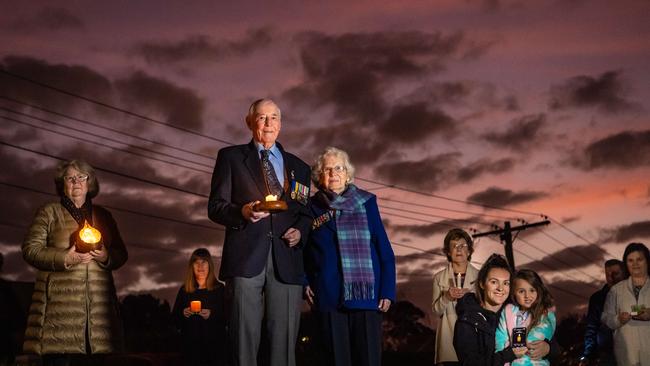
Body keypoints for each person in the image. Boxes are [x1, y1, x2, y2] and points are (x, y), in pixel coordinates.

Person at [207, 99, 312, 366]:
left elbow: (305, 213)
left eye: (274, 117)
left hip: (286, 259)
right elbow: (215, 207)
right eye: (262, 117)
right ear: (249, 122)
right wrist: (242, 212)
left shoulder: (299, 167)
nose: (268, 123)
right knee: (243, 339)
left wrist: (299, 231)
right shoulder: (230, 157)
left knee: (284, 342)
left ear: (281, 123)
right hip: (245, 258)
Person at [21, 160, 128, 366]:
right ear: (63, 184)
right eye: (70, 178)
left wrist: (106, 256)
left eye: (82, 177)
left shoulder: (104, 216)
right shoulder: (49, 212)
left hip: (98, 320)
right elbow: (30, 250)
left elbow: (121, 254)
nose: (76, 182)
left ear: (90, 183)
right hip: (58, 316)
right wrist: (65, 258)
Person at [304, 146, 396, 366]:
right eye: (327, 169)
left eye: (339, 168)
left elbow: (384, 248)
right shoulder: (311, 207)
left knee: (369, 360)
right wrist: (304, 282)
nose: (333, 173)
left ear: (347, 174)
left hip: (367, 296)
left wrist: (387, 291)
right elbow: (303, 250)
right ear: (319, 176)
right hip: (328, 295)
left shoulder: (367, 202)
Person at [431, 228, 479, 365]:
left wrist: (471, 298)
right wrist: (446, 296)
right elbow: (436, 310)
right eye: (454, 246)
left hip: (474, 343)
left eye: (463, 246)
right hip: (448, 344)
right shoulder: (439, 278)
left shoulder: (481, 277)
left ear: (469, 251)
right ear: (448, 252)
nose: (459, 249)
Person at [172, 248, 227, 366]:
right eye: (196, 262)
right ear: (191, 266)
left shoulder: (219, 289)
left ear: (210, 265)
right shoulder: (185, 290)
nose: (200, 266)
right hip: (190, 352)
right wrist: (183, 314)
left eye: (204, 262)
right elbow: (174, 321)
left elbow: (228, 318)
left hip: (215, 352)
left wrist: (212, 315)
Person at [602, 242, 650, 366]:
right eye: (630, 260)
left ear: (647, 261)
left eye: (639, 259)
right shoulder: (615, 291)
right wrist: (618, 319)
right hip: (627, 356)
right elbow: (606, 317)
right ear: (625, 264)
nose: (635, 264)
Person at [496, 269, 556, 366]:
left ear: (538, 290)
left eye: (532, 290)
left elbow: (552, 342)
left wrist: (547, 348)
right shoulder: (508, 312)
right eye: (521, 291)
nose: (527, 296)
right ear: (514, 293)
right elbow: (500, 339)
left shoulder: (546, 315)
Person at [579, 259, 624, 366]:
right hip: (608, 353)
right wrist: (587, 354)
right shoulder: (597, 299)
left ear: (624, 273)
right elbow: (591, 327)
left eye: (615, 273)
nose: (611, 277)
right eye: (608, 274)